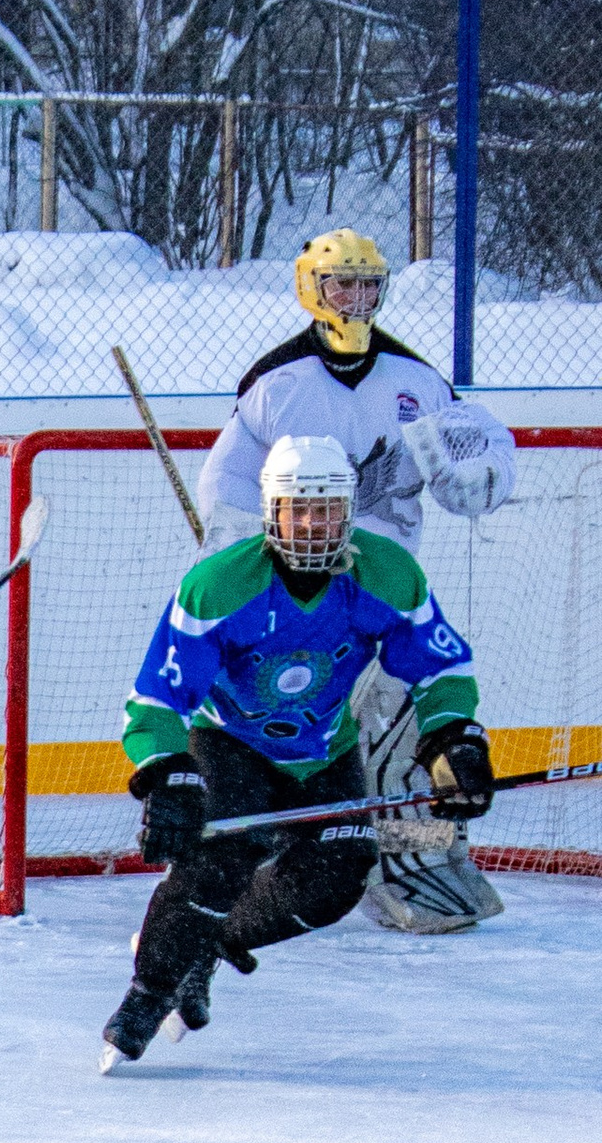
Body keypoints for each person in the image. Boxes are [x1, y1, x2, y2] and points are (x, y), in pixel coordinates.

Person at [102, 429, 491, 1071]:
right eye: (298, 508)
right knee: (218, 861)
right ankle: (148, 993)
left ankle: (206, 946)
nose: (314, 524)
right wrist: (169, 775)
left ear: (348, 509)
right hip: (230, 742)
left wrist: (454, 741)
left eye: (328, 508)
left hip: (325, 748)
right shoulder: (218, 586)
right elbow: (154, 701)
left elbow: (440, 670)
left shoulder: (388, 574)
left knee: (335, 879)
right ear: (271, 511)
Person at [199, 230, 515, 931]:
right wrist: (231, 564)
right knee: (281, 717)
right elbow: (228, 492)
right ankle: (250, 857)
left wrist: (482, 476)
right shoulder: (277, 383)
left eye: (369, 284)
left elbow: (477, 441)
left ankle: (415, 863)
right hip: (301, 591)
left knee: (403, 715)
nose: (357, 298)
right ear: (313, 290)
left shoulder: (416, 379)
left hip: (383, 581)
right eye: (343, 285)